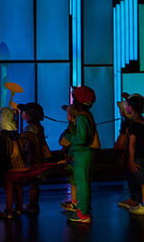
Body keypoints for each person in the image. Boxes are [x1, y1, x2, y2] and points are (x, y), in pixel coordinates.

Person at [60, 85, 100, 224]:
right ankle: (83, 209)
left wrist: (69, 136)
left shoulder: (82, 117)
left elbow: (81, 139)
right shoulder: (86, 115)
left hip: (82, 153)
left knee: (82, 184)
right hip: (84, 153)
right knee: (84, 182)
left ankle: (83, 214)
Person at [115, 94, 144, 216]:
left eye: (127, 105)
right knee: (142, 181)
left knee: (143, 182)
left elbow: (132, 143)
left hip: (139, 156)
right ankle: (143, 204)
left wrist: (131, 160)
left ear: (131, 108)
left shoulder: (134, 124)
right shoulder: (140, 121)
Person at [0, 109, 28, 219]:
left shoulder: (2, 136)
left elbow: (0, 153)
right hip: (20, 166)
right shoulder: (17, 135)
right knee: (19, 187)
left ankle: (8, 212)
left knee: (8, 189)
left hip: (8, 168)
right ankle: (18, 210)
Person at [19, 102, 52, 214]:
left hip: (32, 160)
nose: (21, 113)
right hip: (40, 159)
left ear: (28, 115)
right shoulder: (39, 128)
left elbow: (26, 147)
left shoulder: (29, 129)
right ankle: (33, 205)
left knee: (32, 184)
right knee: (35, 185)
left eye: (23, 112)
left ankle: (32, 206)